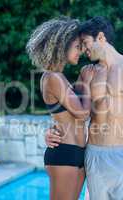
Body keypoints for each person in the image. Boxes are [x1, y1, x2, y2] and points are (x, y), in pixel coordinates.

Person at [45, 16, 123, 200]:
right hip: (93, 154)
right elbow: (72, 113)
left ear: (101, 37)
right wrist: (51, 131)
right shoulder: (87, 73)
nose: (84, 49)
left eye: (86, 43)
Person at [26, 17, 95, 200]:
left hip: (75, 152)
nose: (80, 52)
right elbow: (82, 113)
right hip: (64, 153)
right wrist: (86, 82)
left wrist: (82, 80)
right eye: (76, 47)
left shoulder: (60, 77)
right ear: (61, 46)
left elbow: (68, 111)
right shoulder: (52, 77)